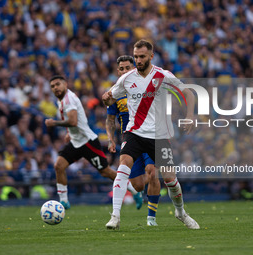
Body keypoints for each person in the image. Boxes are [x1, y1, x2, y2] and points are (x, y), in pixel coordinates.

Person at [102, 39, 200, 230]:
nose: (138, 60)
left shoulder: (163, 76)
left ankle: (181, 213)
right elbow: (110, 99)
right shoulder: (127, 78)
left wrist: (190, 116)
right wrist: (106, 98)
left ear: (151, 56)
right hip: (134, 132)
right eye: (136, 56)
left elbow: (188, 93)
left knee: (171, 180)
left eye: (142, 57)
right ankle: (115, 216)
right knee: (123, 166)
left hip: (159, 136)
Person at [45, 75, 141, 209]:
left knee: (105, 171)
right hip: (76, 142)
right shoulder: (61, 100)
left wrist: (53, 123)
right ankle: (64, 202)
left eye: (57, 84)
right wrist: (68, 133)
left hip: (88, 142)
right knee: (58, 166)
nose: (55, 88)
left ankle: (134, 191)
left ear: (65, 84)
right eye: (53, 86)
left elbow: (73, 121)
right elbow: (73, 121)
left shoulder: (69, 99)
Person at [106, 55, 161, 226]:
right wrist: (110, 139)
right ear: (118, 71)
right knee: (138, 185)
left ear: (134, 67)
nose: (124, 71)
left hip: (150, 135)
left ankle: (151, 218)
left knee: (152, 171)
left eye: (127, 68)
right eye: (121, 68)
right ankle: (134, 192)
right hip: (131, 139)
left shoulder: (147, 85)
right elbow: (110, 120)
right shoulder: (116, 93)